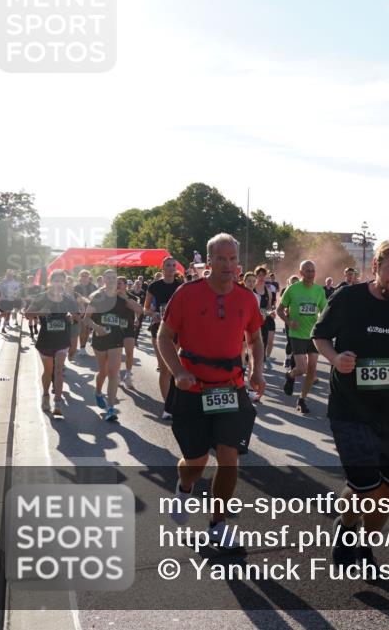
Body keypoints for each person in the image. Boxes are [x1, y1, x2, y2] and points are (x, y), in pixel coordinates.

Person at [311, 238, 389, 569]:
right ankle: (361, 547)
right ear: (375, 268)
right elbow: (320, 335)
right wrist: (335, 357)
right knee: (368, 487)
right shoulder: (349, 298)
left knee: (385, 490)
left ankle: (352, 531)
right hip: (349, 408)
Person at [162, 233, 265, 550]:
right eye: (221, 259)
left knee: (229, 458)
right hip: (193, 388)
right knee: (195, 463)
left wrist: (257, 370)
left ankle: (218, 523)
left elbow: (255, 339)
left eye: (233, 259)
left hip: (230, 387)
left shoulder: (247, 299)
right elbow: (165, 337)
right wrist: (178, 371)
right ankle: (184, 486)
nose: (229, 265)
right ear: (209, 262)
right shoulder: (186, 294)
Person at [84, 271, 142, 421]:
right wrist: (97, 328)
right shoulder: (97, 297)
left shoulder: (121, 298)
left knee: (113, 373)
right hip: (100, 339)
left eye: (113, 278)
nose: (111, 280)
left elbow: (139, 310)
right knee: (102, 372)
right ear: (103, 280)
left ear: (117, 281)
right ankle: (97, 392)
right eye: (108, 278)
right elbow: (86, 319)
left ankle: (110, 408)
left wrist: (125, 297)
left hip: (116, 339)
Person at [26, 269, 80, 417]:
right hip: (46, 339)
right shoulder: (41, 297)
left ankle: (58, 402)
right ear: (50, 282)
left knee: (59, 371)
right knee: (48, 371)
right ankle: (45, 395)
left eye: (61, 281)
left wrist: (72, 317)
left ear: (64, 282)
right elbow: (27, 314)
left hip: (62, 339)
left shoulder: (68, 299)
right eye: (55, 280)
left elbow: (77, 317)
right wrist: (41, 312)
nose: (58, 283)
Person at [277, 260, 328, 413]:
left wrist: (324, 324)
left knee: (312, 370)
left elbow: (324, 311)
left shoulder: (319, 290)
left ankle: (302, 399)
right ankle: (290, 375)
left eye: (312, 271)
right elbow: (280, 310)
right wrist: (288, 321)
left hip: (312, 334)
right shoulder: (292, 289)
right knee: (301, 368)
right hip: (297, 334)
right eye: (307, 271)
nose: (310, 274)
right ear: (301, 273)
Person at [143, 257, 184, 418]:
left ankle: (177, 403)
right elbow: (145, 308)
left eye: (174, 265)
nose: (171, 268)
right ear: (162, 267)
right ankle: (168, 407)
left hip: (177, 330)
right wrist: (153, 314)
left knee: (177, 367)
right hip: (159, 329)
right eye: (168, 265)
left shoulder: (180, 286)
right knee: (165, 368)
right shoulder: (154, 286)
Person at [253, 267, 277, 371]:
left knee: (264, 342)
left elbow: (268, 307)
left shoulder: (268, 291)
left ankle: (261, 363)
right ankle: (250, 363)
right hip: (252, 321)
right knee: (253, 343)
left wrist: (270, 312)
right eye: (260, 275)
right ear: (256, 276)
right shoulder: (251, 289)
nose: (262, 277)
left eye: (264, 275)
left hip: (264, 320)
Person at [72, 270, 95, 357]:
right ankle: (82, 347)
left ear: (89, 277)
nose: (84, 277)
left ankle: (83, 346)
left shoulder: (93, 287)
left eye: (86, 276)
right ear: (80, 277)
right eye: (82, 276)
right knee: (82, 329)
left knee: (87, 330)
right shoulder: (76, 287)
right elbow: (73, 299)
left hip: (90, 311)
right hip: (80, 311)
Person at [0, 269, 22, 334]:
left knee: (8, 314)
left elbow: (18, 290)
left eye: (11, 275)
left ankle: (3, 328)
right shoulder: (3, 282)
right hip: (3, 300)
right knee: (6, 312)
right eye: (9, 274)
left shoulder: (14, 282)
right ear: (6, 274)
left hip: (11, 300)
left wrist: (15, 293)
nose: (10, 276)